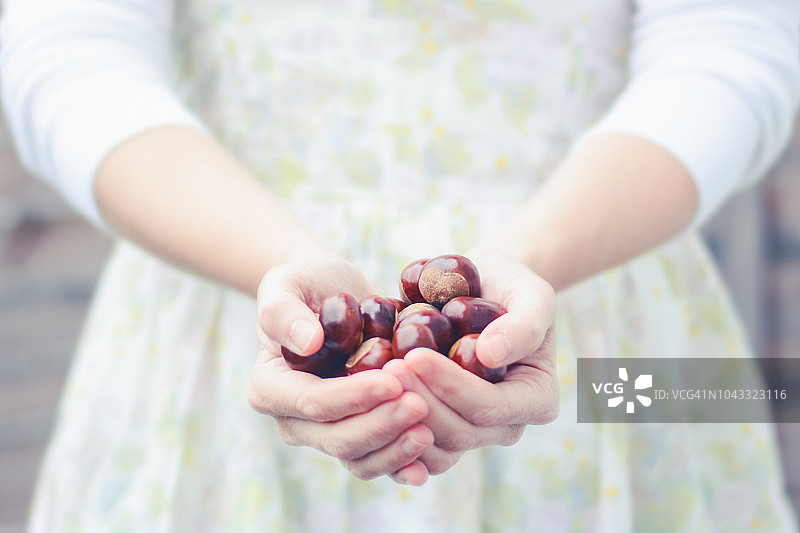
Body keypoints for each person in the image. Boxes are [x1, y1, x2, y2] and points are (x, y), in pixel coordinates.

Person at [1, 0, 798, 531]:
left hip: (596, 285)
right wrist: (281, 260)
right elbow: (65, 50)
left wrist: (529, 258)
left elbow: (735, 45)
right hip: (233, 291)